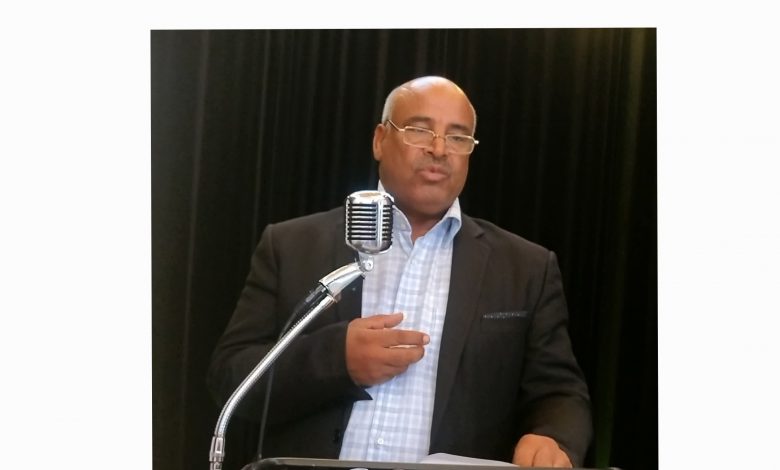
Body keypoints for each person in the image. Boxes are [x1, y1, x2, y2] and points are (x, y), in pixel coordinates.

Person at [207, 76, 592, 468]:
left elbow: (560, 393)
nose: (439, 149)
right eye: (419, 130)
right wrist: (336, 360)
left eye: (458, 137)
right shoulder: (292, 246)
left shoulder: (525, 268)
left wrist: (552, 436)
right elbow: (230, 376)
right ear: (380, 140)